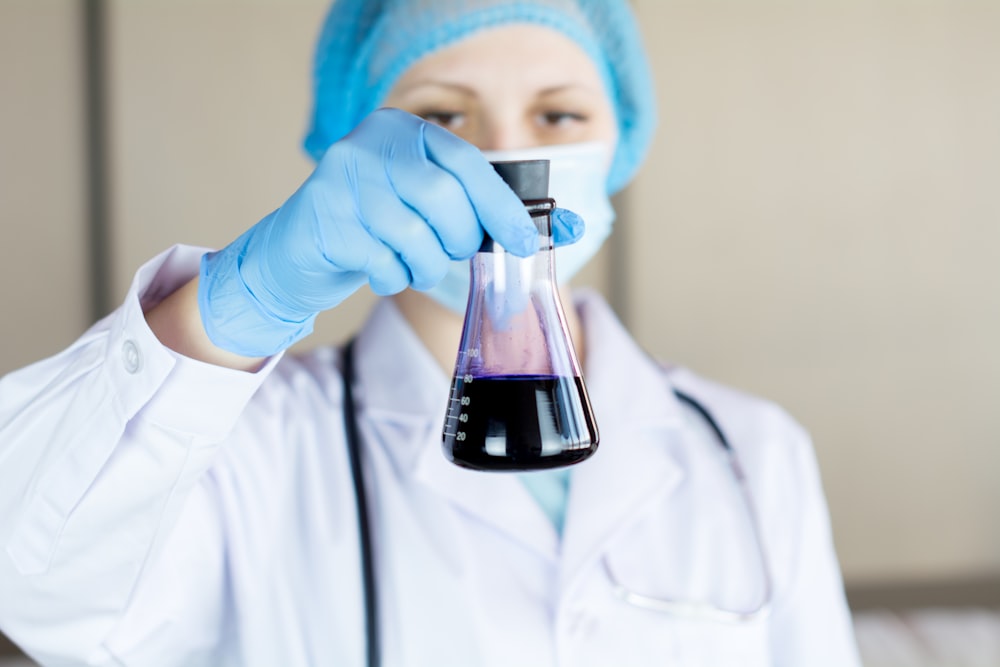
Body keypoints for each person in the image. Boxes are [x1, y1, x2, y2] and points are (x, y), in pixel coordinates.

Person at [0, 1, 861, 665]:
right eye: (442, 119)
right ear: (352, 146)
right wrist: (241, 301)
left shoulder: (751, 451)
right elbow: (32, 579)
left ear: (621, 144)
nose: (502, 156)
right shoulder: (253, 447)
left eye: (558, 117)